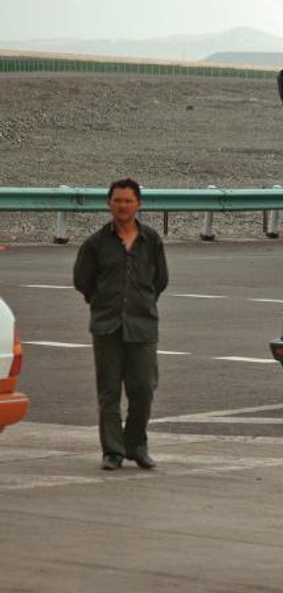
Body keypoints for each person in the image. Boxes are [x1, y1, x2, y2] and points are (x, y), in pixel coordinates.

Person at [73, 178, 169, 470]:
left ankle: (136, 445)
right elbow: (82, 280)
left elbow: (160, 280)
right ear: (109, 203)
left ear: (138, 204)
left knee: (143, 388)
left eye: (128, 201)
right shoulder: (96, 243)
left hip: (142, 326)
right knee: (109, 391)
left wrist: (141, 302)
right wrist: (103, 303)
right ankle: (112, 451)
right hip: (107, 327)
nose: (123, 206)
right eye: (117, 201)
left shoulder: (151, 240)